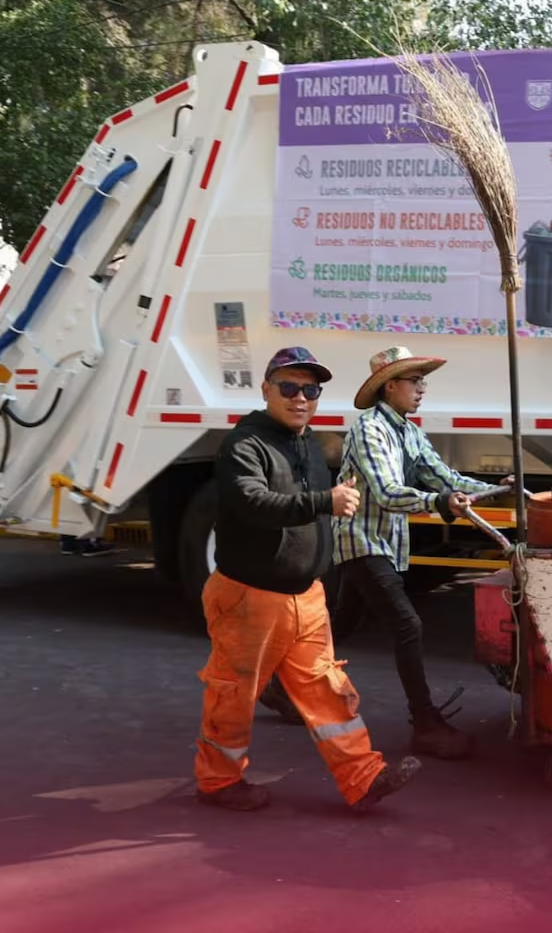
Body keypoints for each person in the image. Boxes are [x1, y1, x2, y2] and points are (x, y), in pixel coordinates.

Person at [193, 345, 420, 813]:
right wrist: (324, 502)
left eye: (311, 390)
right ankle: (219, 782)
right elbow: (250, 503)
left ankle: (363, 778)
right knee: (234, 695)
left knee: (327, 690)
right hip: (248, 598)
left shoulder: (308, 444)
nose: (301, 398)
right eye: (290, 387)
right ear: (266, 390)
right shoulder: (245, 445)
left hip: (306, 598)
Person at [330, 346, 509, 761]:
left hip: (387, 542)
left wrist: (496, 486)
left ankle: (280, 687)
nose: (422, 389)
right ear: (390, 386)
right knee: (407, 625)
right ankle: (425, 723)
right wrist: (441, 503)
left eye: (423, 381)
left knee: (343, 622)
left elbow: (445, 478)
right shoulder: (368, 428)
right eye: (415, 381)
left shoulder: (409, 432)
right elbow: (390, 494)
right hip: (361, 539)